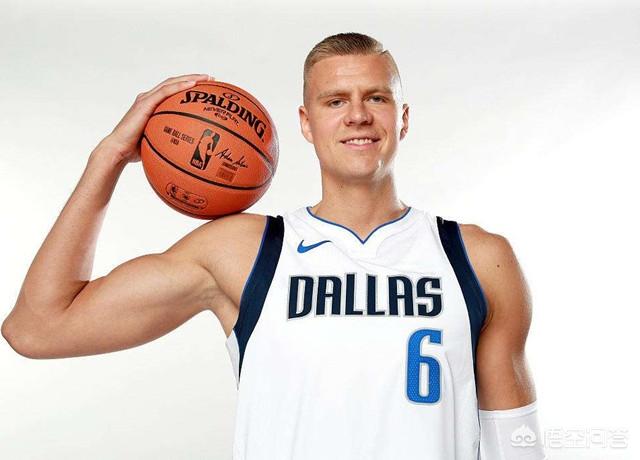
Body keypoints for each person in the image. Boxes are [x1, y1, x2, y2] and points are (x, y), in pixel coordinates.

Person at [2, 33, 545, 459]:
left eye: (376, 98)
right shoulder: (245, 252)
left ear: (402, 118)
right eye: (335, 100)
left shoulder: (477, 258)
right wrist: (108, 157)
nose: (357, 115)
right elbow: (37, 328)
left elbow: (516, 444)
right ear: (306, 123)